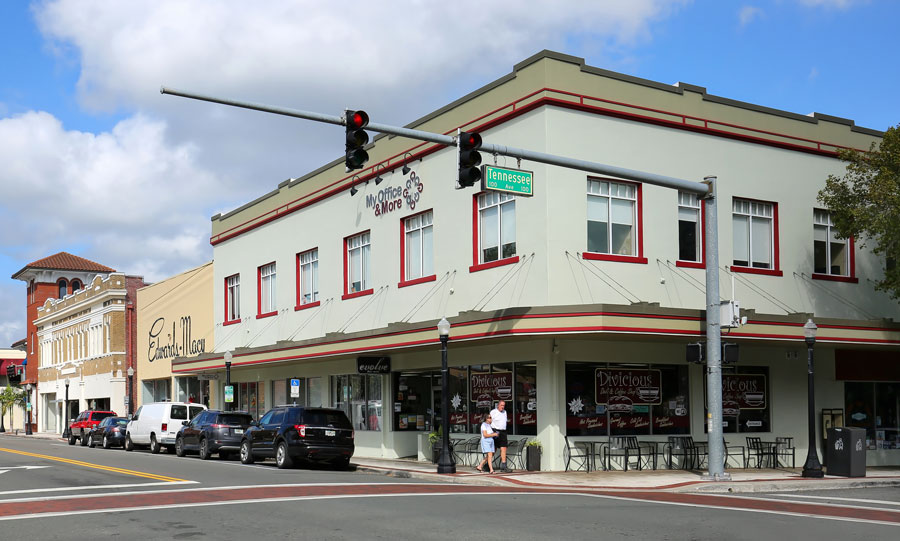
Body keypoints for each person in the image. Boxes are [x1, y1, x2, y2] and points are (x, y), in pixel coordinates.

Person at [490, 400, 510, 471]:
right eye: (501, 405)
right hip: (495, 431)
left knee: (504, 448)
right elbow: (489, 421)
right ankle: (486, 464)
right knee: (493, 449)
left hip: (503, 432)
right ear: (498, 405)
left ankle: (503, 466)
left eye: (504, 405)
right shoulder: (493, 412)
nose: (502, 407)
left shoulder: (505, 412)